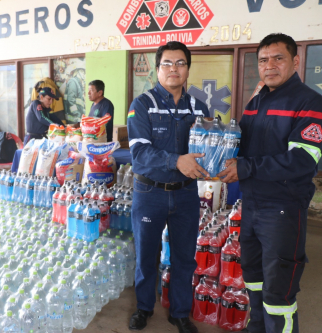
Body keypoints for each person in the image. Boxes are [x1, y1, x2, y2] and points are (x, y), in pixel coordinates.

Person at [218, 33, 322, 333]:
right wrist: (217, 151)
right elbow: (243, 145)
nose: (270, 65)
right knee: (253, 277)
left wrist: (244, 167)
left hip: (282, 210)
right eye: (263, 60)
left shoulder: (310, 103)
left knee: (279, 292)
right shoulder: (256, 102)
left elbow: (302, 160)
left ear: (296, 61)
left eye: (278, 58)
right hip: (251, 205)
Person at [127, 41, 210, 333]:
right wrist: (176, 161)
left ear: (188, 68)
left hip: (187, 193)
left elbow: (208, 147)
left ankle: (179, 313)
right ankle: (144, 308)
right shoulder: (142, 104)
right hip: (149, 193)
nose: (173, 69)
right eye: (167, 64)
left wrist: (220, 161)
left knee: (185, 256)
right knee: (147, 254)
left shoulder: (199, 107)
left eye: (180, 63)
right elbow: (138, 154)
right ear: (157, 68)